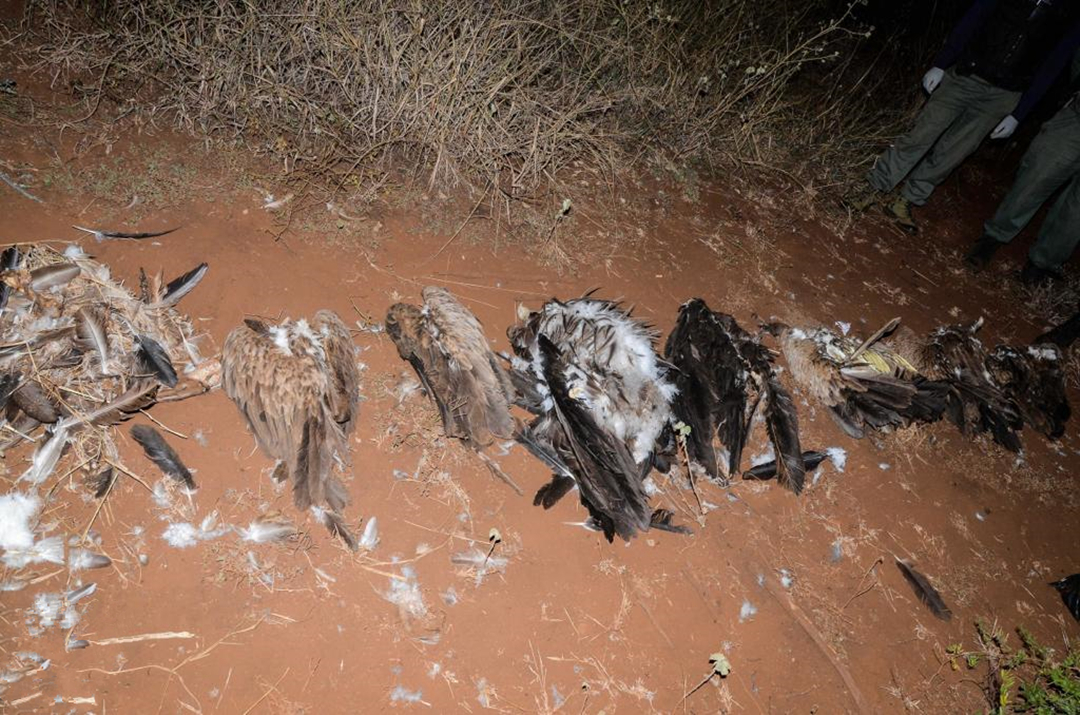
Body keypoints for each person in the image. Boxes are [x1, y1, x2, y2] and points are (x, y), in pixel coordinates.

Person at [847, 0, 1080, 235]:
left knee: (953, 152)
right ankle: (874, 186)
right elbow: (972, 19)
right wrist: (941, 63)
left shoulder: (1066, 15)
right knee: (921, 134)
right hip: (966, 75)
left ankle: (907, 200)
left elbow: (1052, 66)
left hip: (1003, 96)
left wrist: (1019, 114)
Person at [965, 48, 1080, 285]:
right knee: (1037, 176)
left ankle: (1043, 263)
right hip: (1076, 120)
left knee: (1077, 210)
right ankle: (993, 237)